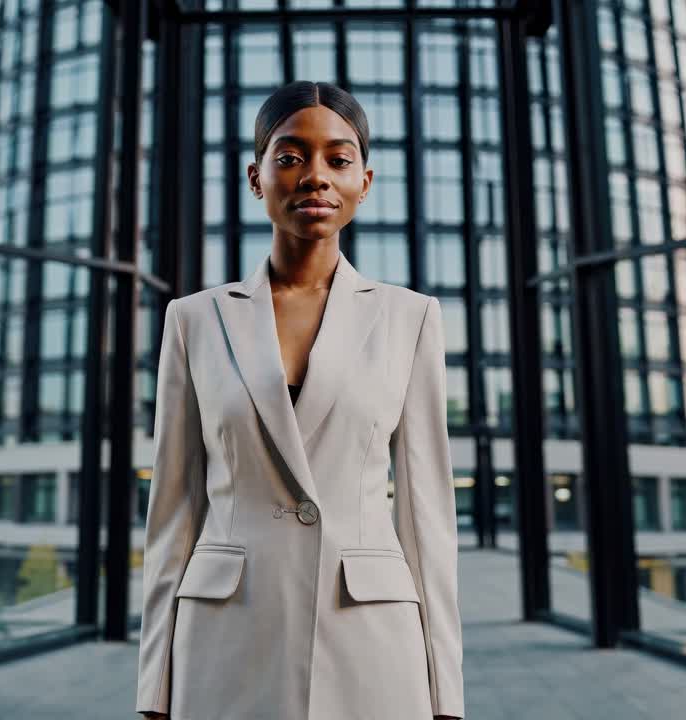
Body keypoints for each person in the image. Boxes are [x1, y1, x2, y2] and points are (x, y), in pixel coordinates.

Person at [135, 80, 464, 719]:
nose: (315, 176)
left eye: (338, 160)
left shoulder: (411, 318)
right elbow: (173, 514)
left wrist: (445, 688)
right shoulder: (194, 321)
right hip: (226, 633)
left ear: (363, 182)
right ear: (256, 178)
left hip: (369, 634)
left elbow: (427, 518)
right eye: (290, 157)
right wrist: (154, 684)